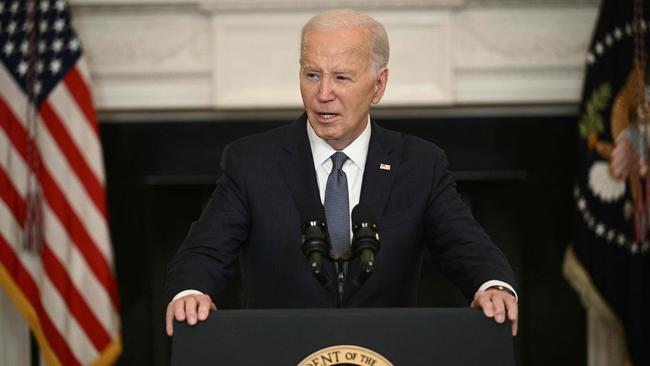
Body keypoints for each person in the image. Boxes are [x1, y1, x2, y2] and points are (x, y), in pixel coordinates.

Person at [164, 9, 518, 337]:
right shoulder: (251, 161)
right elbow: (205, 251)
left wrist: (492, 286)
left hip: (384, 350)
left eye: (342, 77)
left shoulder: (420, 164)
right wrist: (191, 292)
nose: (323, 94)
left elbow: (465, 245)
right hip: (280, 349)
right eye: (312, 75)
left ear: (378, 85)